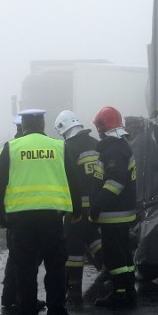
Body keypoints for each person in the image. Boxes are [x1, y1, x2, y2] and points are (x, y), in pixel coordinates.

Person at [0, 109, 83, 315]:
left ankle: (28, 314)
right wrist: (76, 210)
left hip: (20, 219)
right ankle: (57, 313)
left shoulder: (11, 148)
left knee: (24, 267)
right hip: (51, 217)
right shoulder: (59, 146)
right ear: (42, 124)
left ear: (23, 126)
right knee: (56, 266)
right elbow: (73, 180)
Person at [54, 110, 106, 304]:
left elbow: (65, 179)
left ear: (62, 129)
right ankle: (106, 268)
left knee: (73, 248)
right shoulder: (96, 144)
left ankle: (73, 289)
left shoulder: (67, 148)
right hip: (97, 205)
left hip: (75, 207)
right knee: (93, 237)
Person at [89, 106, 138, 308]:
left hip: (113, 213)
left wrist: (97, 206)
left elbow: (114, 183)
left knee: (114, 254)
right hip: (123, 212)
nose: (98, 133)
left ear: (103, 127)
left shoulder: (113, 150)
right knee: (125, 254)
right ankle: (128, 289)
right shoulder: (122, 146)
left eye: (99, 128)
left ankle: (118, 293)